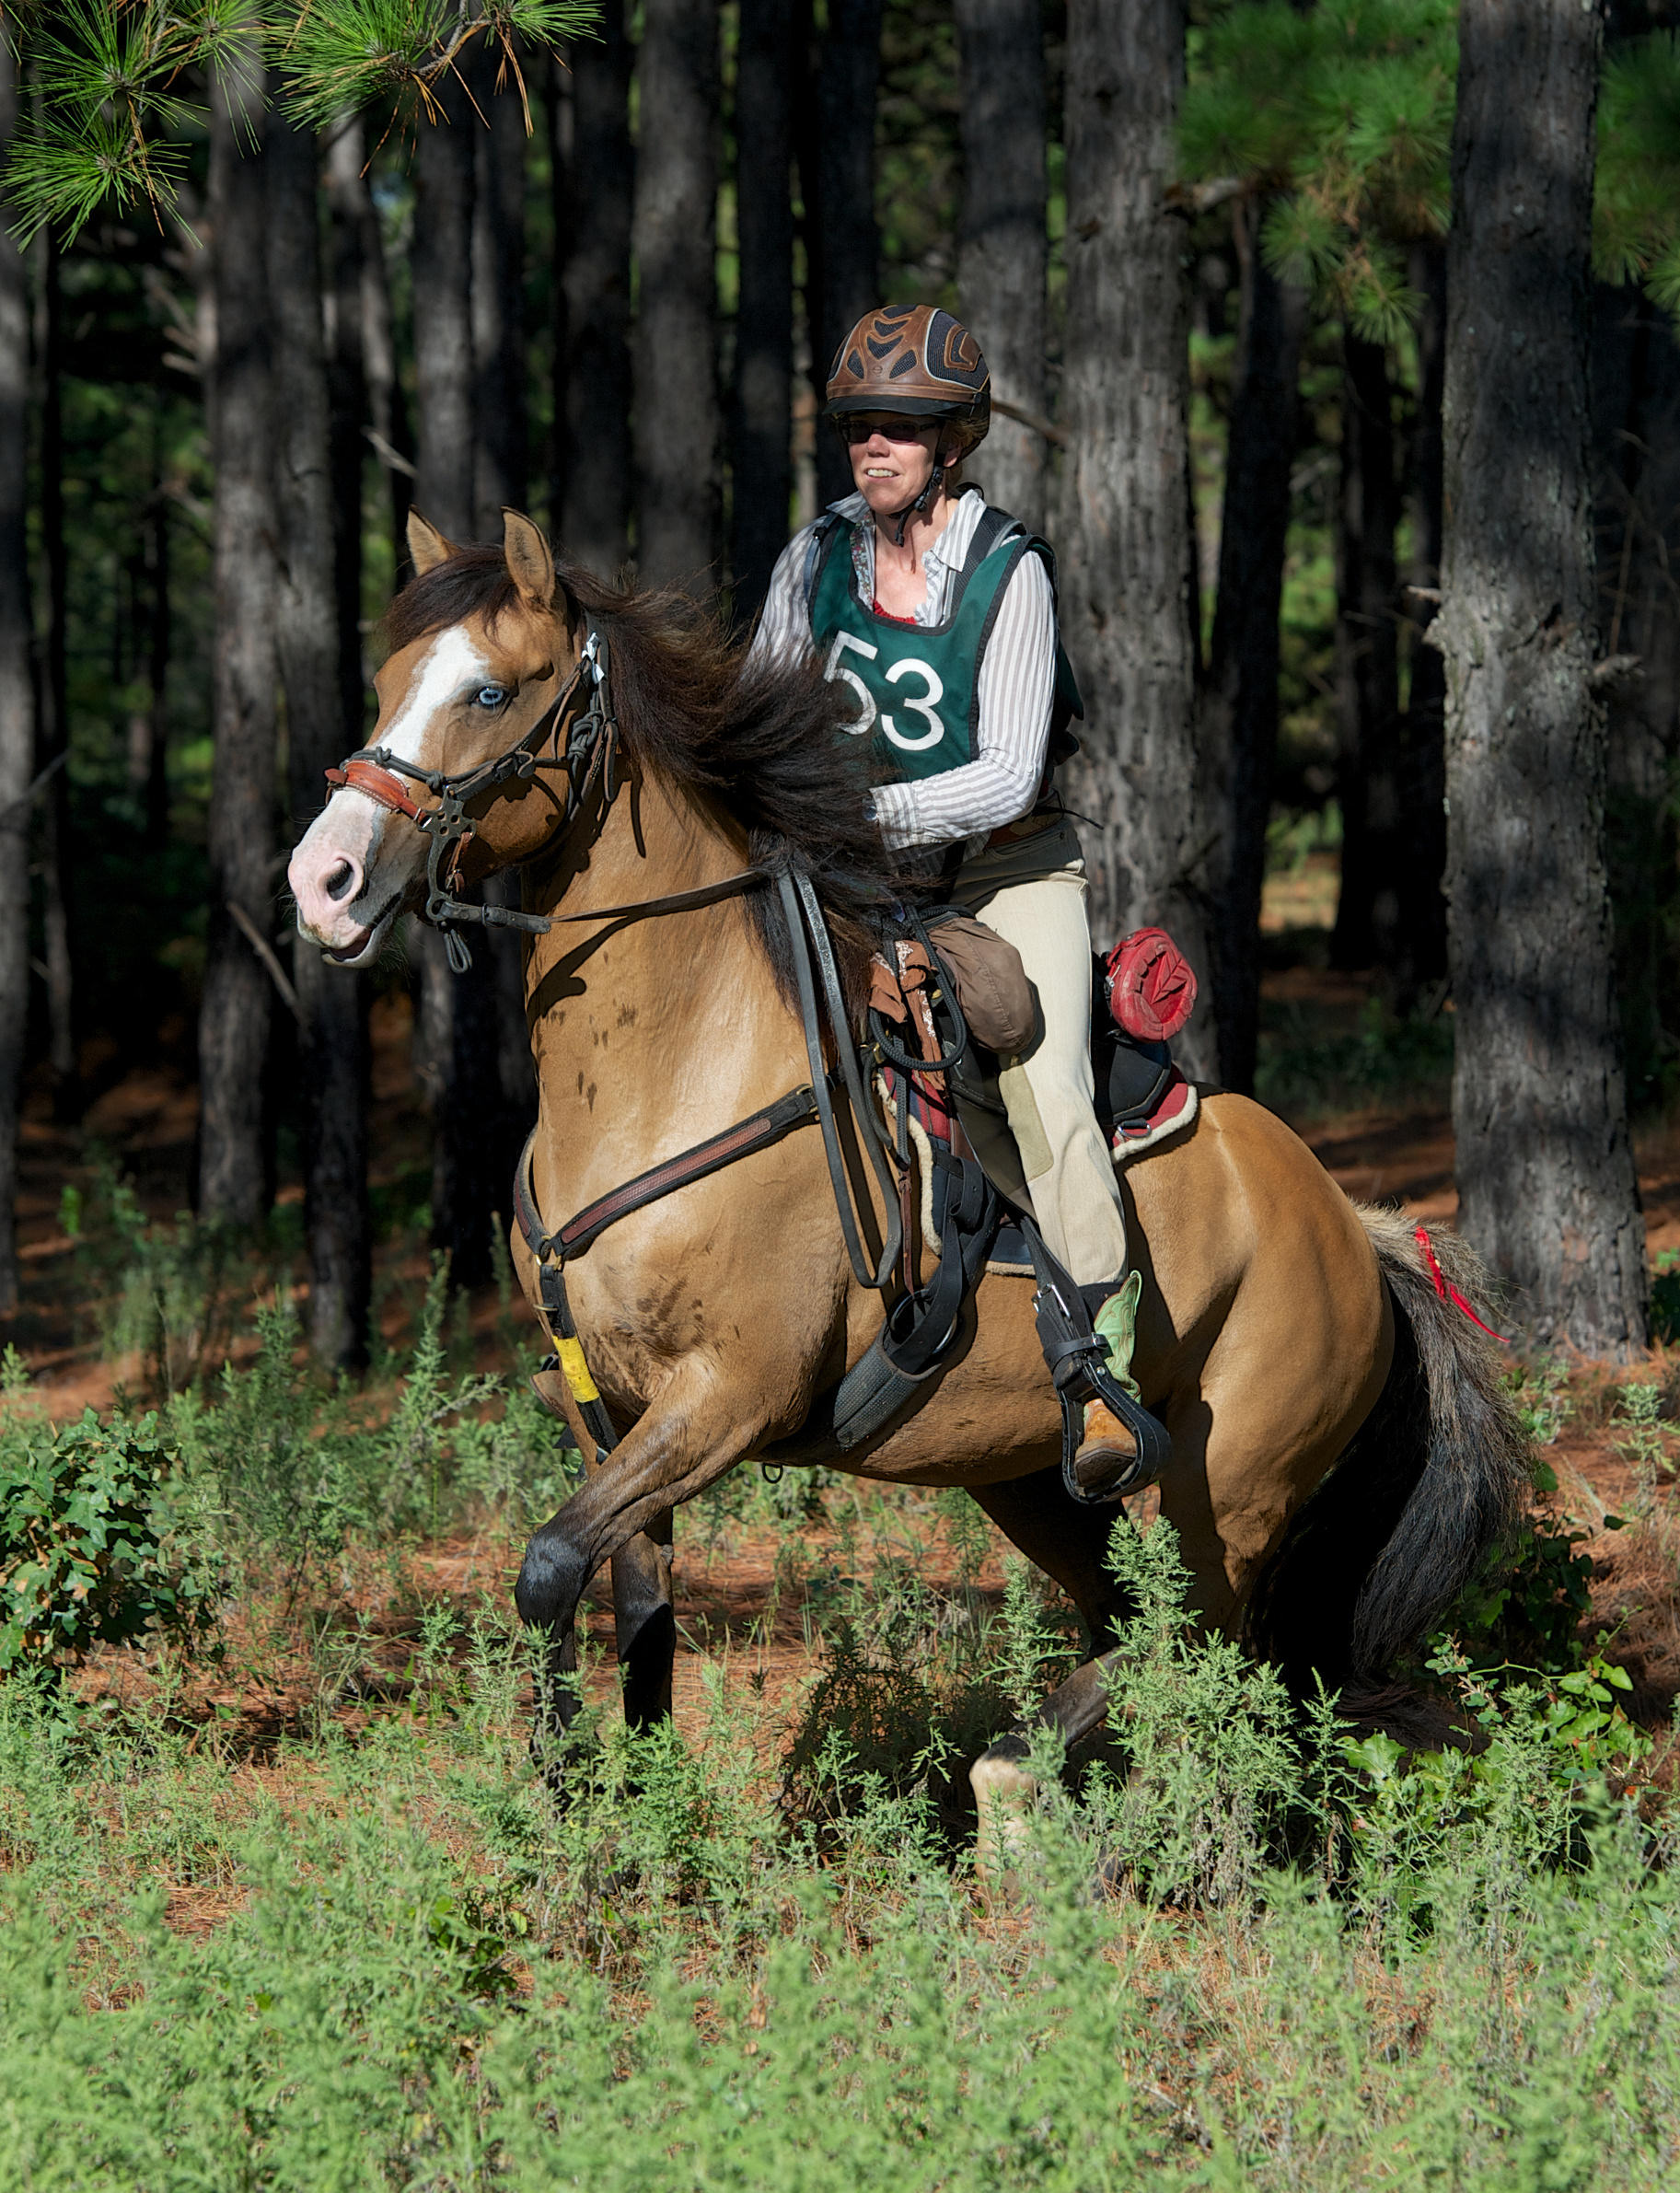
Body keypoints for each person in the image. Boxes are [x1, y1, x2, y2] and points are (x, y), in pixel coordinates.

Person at [752, 302, 1144, 1483]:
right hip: (848, 875)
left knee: (1046, 1090)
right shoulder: (812, 557)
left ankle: (1099, 1367)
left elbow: (1008, 773)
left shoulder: (1007, 571)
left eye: (902, 429)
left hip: (1002, 873)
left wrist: (855, 815)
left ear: (953, 444)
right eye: (861, 425)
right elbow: (763, 709)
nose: (873, 446)